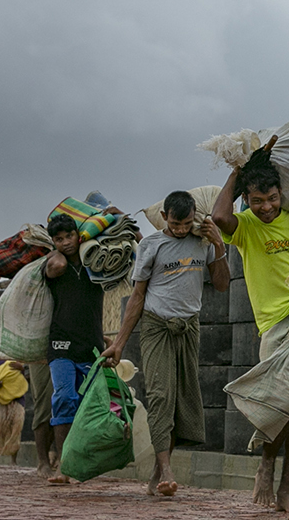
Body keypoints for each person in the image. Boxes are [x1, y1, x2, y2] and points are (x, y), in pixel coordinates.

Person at [214, 146, 289, 514]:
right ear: (247, 199)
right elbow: (219, 216)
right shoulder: (245, 228)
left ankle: (286, 491)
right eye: (258, 200)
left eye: (273, 198)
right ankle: (265, 464)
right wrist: (238, 170)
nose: (267, 207)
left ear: (282, 195)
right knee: (281, 400)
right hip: (276, 324)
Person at [106, 190, 231, 496]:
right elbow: (137, 296)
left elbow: (222, 284)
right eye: (175, 223)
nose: (180, 229)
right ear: (164, 217)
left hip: (189, 328)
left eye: (186, 223)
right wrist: (120, 343)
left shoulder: (203, 242)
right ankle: (169, 471)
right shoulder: (151, 245)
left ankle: (159, 472)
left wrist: (218, 243)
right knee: (160, 394)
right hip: (156, 326)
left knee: (180, 400)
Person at [43, 214, 107, 484]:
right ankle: (62, 465)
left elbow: (134, 250)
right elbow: (55, 265)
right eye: (59, 239)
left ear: (78, 235)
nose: (65, 242)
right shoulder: (55, 265)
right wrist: (57, 251)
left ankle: (78, 463)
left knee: (87, 407)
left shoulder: (99, 264)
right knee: (65, 398)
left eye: (69, 236)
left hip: (92, 345)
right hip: (60, 346)